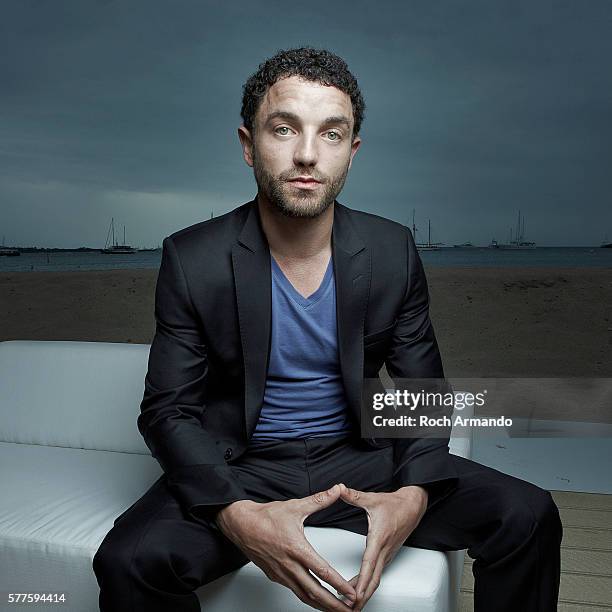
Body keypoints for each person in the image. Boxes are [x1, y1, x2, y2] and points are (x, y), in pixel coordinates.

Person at [93, 46, 563, 612]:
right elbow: (167, 409)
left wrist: (411, 495)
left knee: (528, 515)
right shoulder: (194, 258)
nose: (308, 154)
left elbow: (423, 393)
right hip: (242, 466)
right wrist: (237, 515)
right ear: (248, 145)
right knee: (129, 562)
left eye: (332, 133)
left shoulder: (392, 251)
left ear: (352, 151)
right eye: (285, 129)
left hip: (361, 458)